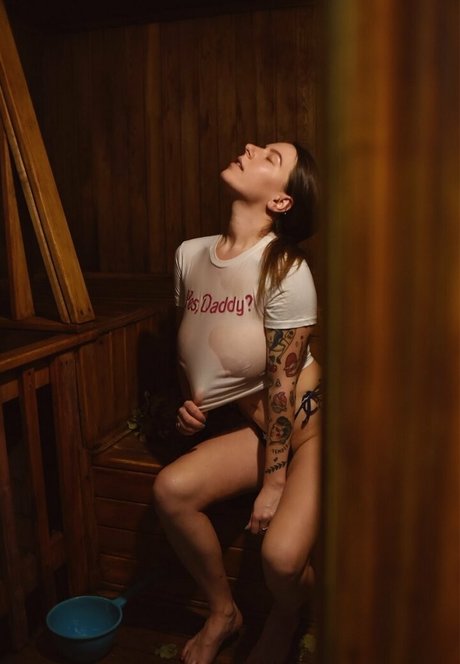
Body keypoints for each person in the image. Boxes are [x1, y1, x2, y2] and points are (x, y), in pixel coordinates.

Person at [153, 141, 321, 664]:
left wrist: (275, 483)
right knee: (171, 491)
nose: (250, 148)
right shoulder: (189, 254)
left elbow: (282, 387)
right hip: (257, 428)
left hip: (309, 432)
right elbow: (195, 348)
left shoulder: (286, 269)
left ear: (281, 201)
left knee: (281, 559)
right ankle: (223, 611)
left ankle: (290, 615)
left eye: (271, 157)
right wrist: (189, 409)